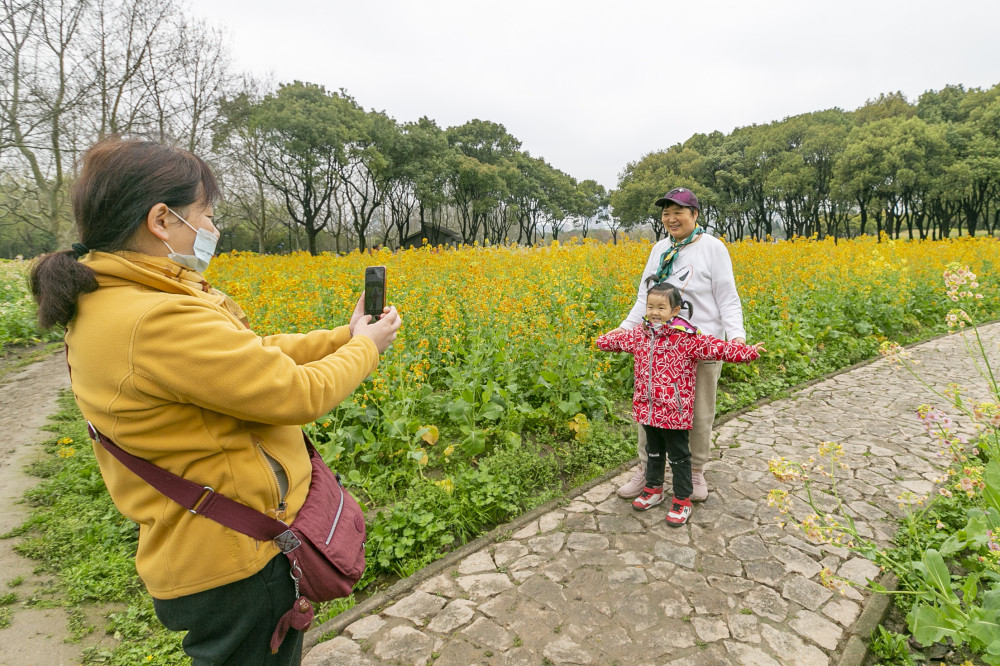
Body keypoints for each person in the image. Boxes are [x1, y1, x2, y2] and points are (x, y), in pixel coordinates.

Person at [28, 137, 401, 665]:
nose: (213, 228)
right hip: (238, 561)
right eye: (206, 213)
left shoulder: (117, 301)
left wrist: (342, 335)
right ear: (162, 220)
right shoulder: (156, 318)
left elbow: (250, 357)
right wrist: (367, 348)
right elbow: (298, 393)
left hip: (212, 547)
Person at [611, 187, 748, 501]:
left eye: (678, 212)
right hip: (659, 347)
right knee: (652, 408)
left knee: (699, 413)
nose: (671, 218)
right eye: (666, 213)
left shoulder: (713, 248)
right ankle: (647, 470)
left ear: (694, 215)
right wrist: (622, 331)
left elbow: (728, 298)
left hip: (700, 345)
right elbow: (643, 299)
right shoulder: (660, 249)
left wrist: (736, 338)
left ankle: (696, 473)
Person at [596, 283, 762, 525]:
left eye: (661, 307)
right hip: (648, 408)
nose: (654, 312)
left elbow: (718, 348)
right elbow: (612, 342)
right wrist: (602, 339)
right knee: (653, 452)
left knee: (679, 456)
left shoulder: (686, 338)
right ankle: (654, 488)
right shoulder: (639, 335)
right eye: (650, 306)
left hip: (675, 410)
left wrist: (747, 352)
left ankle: (682, 499)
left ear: (674, 311)